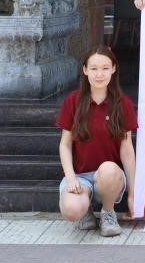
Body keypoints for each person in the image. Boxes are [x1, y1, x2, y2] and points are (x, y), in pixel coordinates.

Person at [56, 46, 137, 237]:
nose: (99, 74)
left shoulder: (123, 103)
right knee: (71, 209)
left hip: (110, 177)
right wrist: (71, 178)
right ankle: (86, 211)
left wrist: (133, 195)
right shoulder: (73, 101)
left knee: (108, 169)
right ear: (85, 70)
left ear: (113, 69)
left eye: (105, 68)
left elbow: (127, 151)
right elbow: (65, 145)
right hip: (81, 177)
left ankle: (108, 213)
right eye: (94, 68)